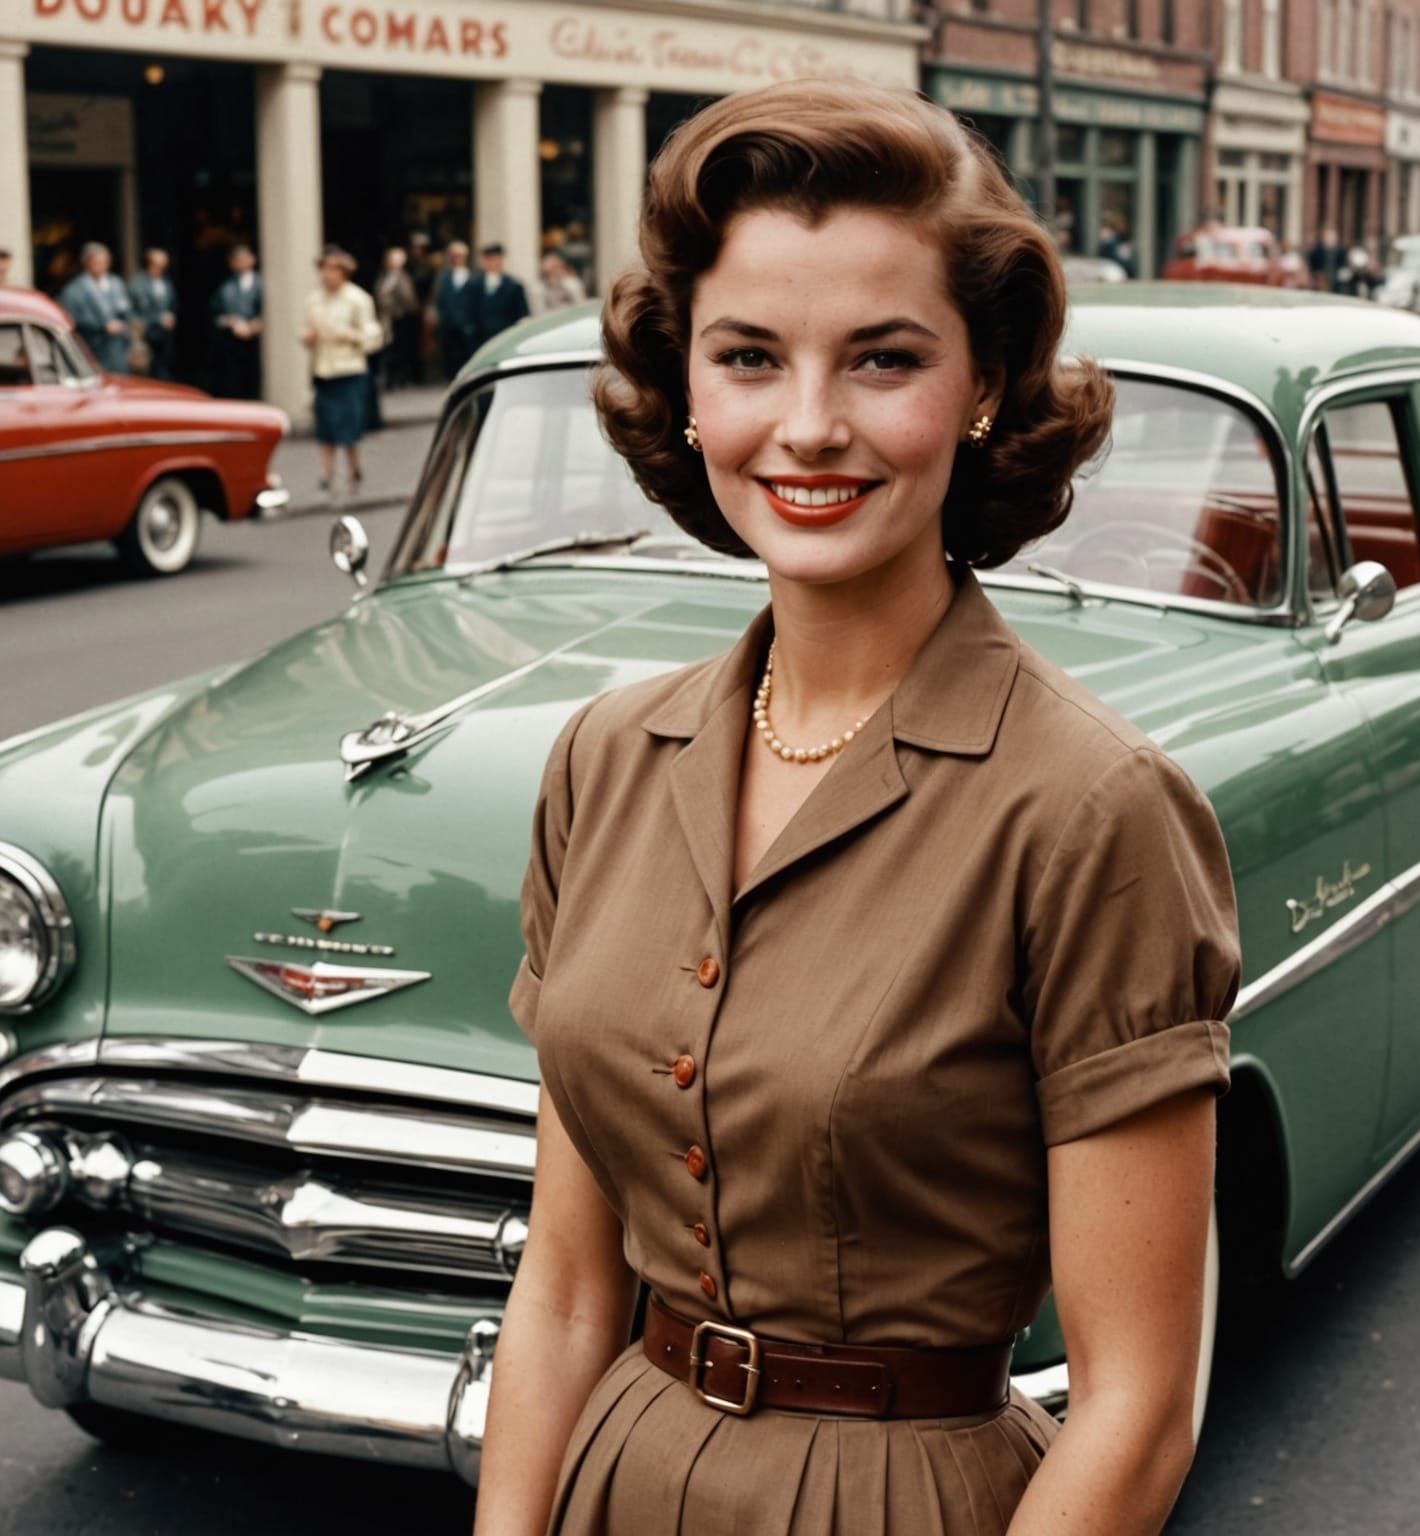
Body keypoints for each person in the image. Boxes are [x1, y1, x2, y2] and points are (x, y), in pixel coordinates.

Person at [473, 79, 1241, 1536]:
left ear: (990, 382)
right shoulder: (604, 760)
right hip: (617, 1480)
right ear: (687, 388)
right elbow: (568, 1286)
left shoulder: (1095, 813)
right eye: (749, 357)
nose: (809, 427)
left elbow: (1138, 1409)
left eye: (884, 360)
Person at [299, 244, 381, 496]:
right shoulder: (314, 300)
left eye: (333, 271)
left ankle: (353, 470)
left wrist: (351, 336)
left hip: (348, 369)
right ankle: (326, 474)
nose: (328, 276)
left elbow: (373, 335)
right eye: (325, 271)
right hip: (323, 369)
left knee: (348, 425)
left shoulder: (358, 299)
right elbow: (303, 331)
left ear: (343, 273)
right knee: (325, 427)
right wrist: (309, 336)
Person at [59, 242, 133, 373]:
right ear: (87, 263)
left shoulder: (117, 283)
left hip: (117, 347)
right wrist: (101, 325)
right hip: (92, 347)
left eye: (105, 262)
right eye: (97, 262)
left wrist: (121, 323)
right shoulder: (74, 289)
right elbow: (70, 318)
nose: (102, 266)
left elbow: (126, 309)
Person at [208, 244, 263, 399]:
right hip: (232, 344)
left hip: (257, 343)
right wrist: (230, 322)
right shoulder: (225, 287)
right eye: (237, 259)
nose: (241, 262)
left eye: (244, 258)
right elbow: (215, 315)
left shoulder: (262, 284)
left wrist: (256, 324)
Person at [374, 245, 421, 389]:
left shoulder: (403, 278)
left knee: (399, 350)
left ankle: (399, 379)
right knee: (387, 350)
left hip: (399, 319)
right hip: (385, 319)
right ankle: (388, 378)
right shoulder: (383, 277)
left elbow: (409, 300)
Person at [127, 247, 178, 380]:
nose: (161, 268)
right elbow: (135, 313)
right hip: (146, 337)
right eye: (158, 264)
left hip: (165, 337)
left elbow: (170, 304)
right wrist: (158, 319)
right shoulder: (138, 283)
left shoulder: (166, 282)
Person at [468, 241, 529, 350]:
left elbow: (522, 314)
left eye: (495, 258)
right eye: (488, 258)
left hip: (504, 338)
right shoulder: (473, 284)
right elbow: (468, 312)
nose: (491, 262)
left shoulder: (514, 286)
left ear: (501, 259)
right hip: (479, 340)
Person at [431, 240, 477, 380]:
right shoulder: (443, 278)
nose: (457, 259)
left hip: (468, 327)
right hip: (449, 328)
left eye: (460, 255)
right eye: (454, 256)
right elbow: (439, 301)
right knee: (451, 362)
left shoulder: (474, 277)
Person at [1307, 226, 1348, 293]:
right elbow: (1312, 263)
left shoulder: (1340, 251)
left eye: (1332, 238)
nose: (1330, 239)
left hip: (1335, 278)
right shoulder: (1317, 250)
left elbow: (1343, 265)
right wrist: (1317, 274)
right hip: (1321, 278)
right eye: (1328, 237)